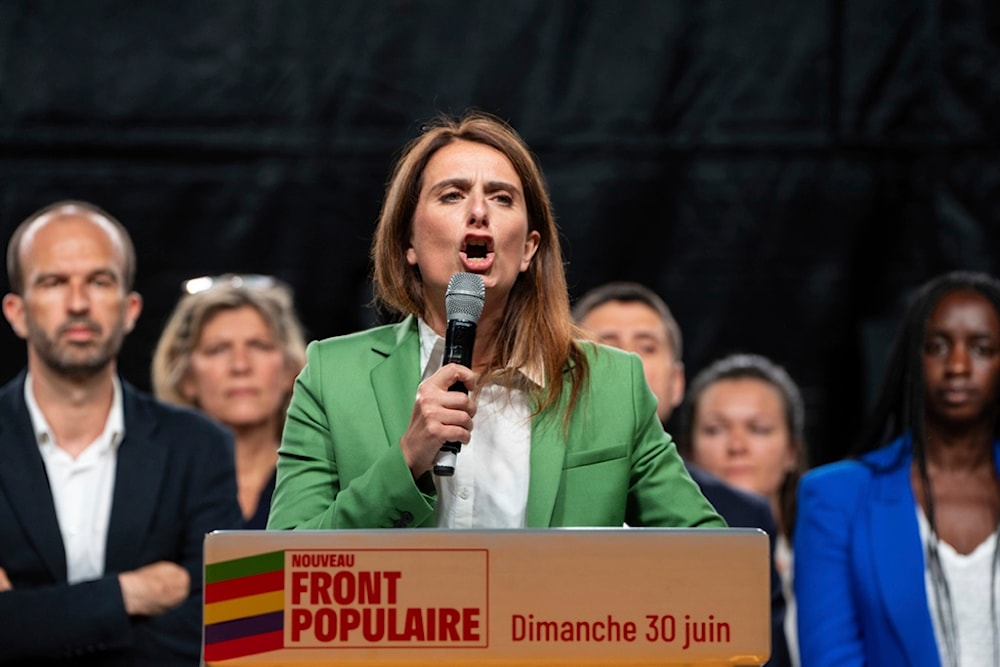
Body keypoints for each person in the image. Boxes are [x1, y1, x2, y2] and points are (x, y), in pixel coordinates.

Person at [266, 111, 724, 530]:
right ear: (409, 241)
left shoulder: (612, 383)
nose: (479, 211)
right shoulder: (332, 376)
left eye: (502, 198)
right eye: (452, 194)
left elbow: (711, 556)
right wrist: (406, 461)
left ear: (527, 249)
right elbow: (277, 574)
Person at [0, 201, 242, 665]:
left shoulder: (199, 446)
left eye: (99, 281)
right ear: (17, 312)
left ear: (130, 308)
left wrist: (29, 619)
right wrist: (126, 594)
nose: (77, 303)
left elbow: (223, 622)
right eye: (52, 282)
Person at [572, 280, 792, 667]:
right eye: (607, 342)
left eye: (647, 347)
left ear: (677, 384)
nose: (627, 359)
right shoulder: (532, 484)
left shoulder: (743, 517)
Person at [795, 270, 1000, 667]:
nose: (957, 365)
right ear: (911, 358)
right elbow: (831, 658)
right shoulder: (836, 496)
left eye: (981, 348)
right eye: (937, 346)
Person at [677, 352, 807, 666]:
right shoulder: (669, 568)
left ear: (792, 450)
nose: (737, 446)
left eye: (759, 429)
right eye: (714, 430)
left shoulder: (828, 557)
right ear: (689, 452)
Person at [151, 274, 307, 528]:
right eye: (218, 349)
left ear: (290, 370)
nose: (240, 365)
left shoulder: (328, 481)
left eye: (259, 346)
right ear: (184, 375)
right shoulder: (151, 483)